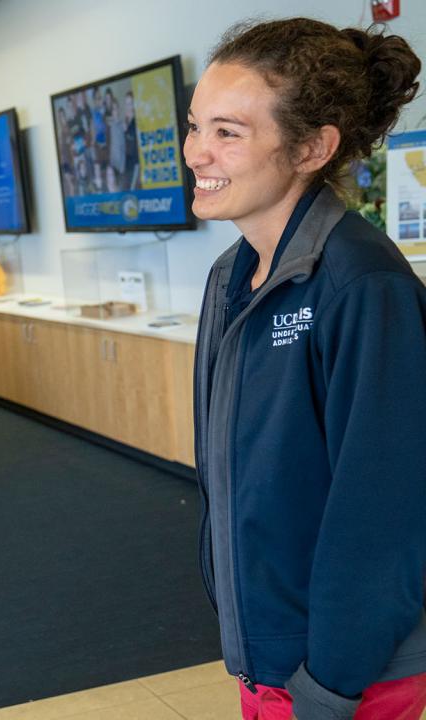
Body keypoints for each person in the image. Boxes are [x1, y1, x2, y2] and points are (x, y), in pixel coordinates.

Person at [186, 17, 426, 720]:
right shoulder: (231, 276)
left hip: (346, 676)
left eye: (228, 132)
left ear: (312, 148)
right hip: (268, 654)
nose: (197, 151)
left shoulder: (363, 286)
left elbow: (385, 515)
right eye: (197, 125)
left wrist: (329, 685)